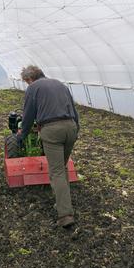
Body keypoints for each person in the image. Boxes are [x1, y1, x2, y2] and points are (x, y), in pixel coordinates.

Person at [17, 65, 80, 228]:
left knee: (57, 171)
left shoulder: (33, 88)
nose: (27, 85)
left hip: (52, 131)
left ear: (30, 79)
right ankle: (63, 203)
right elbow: (74, 110)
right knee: (62, 167)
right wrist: (75, 130)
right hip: (71, 127)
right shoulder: (61, 85)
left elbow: (29, 115)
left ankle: (65, 215)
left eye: (26, 82)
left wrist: (22, 135)